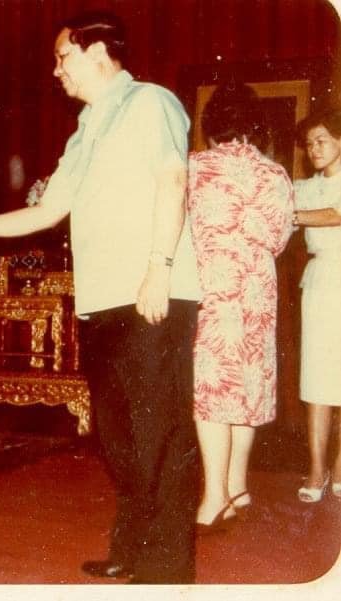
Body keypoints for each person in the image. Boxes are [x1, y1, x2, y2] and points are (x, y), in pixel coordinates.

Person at [0, 11, 201, 584]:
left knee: (159, 433)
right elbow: (49, 211)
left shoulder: (150, 102)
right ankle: (132, 547)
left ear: (98, 53)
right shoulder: (85, 128)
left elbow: (173, 180)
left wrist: (159, 268)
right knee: (119, 436)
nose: (56, 70)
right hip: (102, 299)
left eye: (62, 57)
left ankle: (167, 568)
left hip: (151, 293)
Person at [187, 83, 293, 530]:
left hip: (214, 288)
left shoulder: (196, 167)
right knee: (247, 383)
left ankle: (214, 498)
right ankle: (237, 486)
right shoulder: (275, 174)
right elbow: (280, 239)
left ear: (211, 124)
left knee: (213, 388)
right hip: (257, 291)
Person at [292, 108, 341, 503]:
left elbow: (334, 214)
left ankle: (340, 466)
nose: (314, 149)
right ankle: (316, 468)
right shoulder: (303, 188)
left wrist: (290, 214)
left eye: (321, 140)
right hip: (322, 282)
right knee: (317, 380)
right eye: (309, 143)